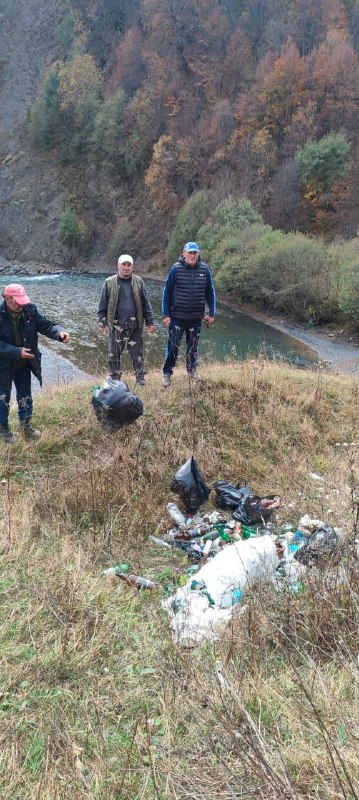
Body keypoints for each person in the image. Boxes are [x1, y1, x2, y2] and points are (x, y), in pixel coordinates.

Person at [0, 283, 70, 443]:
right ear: (7, 298)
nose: (20, 304)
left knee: (25, 395)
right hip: (3, 365)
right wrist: (17, 352)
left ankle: (25, 426)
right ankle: (3, 430)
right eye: (16, 301)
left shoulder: (29, 310)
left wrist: (59, 333)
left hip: (24, 363)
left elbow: (46, 325)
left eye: (22, 300)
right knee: (2, 397)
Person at [161, 241, 216, 386]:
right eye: (190, 253)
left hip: (195, 318)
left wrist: (212, 313)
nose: (192, 255)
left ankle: (192, 371)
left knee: (193, 346)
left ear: (198, 254)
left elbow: (210, 292)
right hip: (177, 317)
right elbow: (166, 292)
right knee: (173, 346)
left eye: (194, 253)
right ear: (183, 254)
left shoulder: (205, 270)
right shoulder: (176, 269)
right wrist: (165, 315)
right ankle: (167, 373)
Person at [97, 254, 155, 385]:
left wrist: (150, 322)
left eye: (129, 265)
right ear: (118, 266)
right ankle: (115, 378)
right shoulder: (109, 282)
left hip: (135, 326)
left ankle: (140, 378)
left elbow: (146, 303)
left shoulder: (139, 282)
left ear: (132, 267)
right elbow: (102, 305)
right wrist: (102, 321)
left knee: (138, 354)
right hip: (116, 326)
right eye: (123, 265)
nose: (126, 268)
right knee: (113, 355)